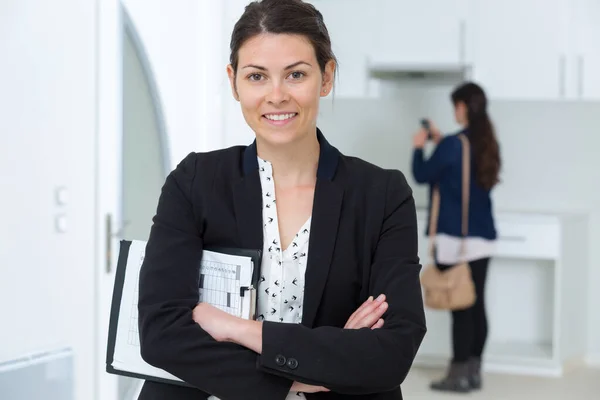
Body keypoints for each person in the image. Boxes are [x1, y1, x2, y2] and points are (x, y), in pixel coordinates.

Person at [136, 0, 427, 399]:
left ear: (326, 77)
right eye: (257, 76)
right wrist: (309, 372)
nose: (276, 95)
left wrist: (240, 330)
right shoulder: (195, 182)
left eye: (295, 75)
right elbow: (161, 333)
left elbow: (392, 352)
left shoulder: (382, 196)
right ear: (234, 81)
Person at [411, 82, 501, 393]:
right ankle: (473, 371)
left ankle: (457, 375)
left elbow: (422, 174)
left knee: (461, 308)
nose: (454, 111)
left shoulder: (453, 144)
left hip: (455, 239)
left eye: (456, 105)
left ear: (463, 106)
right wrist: (442, 141)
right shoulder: (485, 141)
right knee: (476, 306)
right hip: (483, 238)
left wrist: (420, 146)